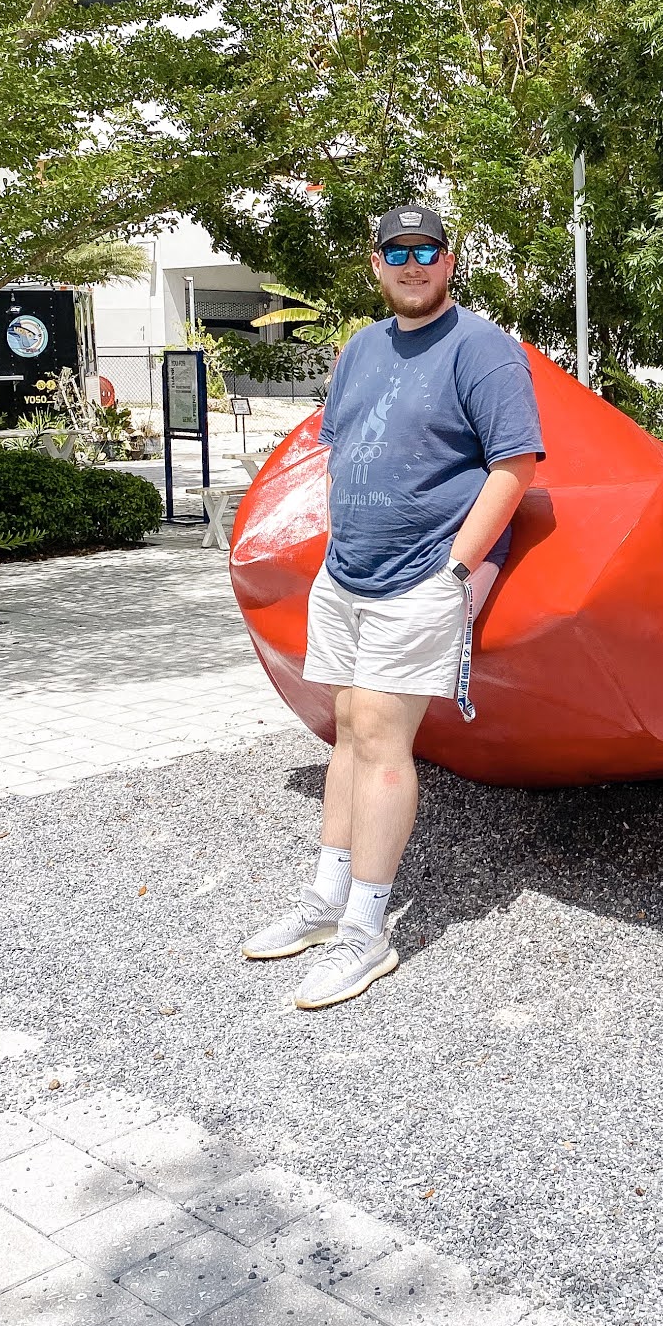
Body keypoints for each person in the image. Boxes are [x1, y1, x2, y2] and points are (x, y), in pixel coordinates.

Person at [240, 204, 542, 1009]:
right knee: (346, 727)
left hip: (422, 576)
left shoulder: (482, 348)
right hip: (347, 573)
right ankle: (326, 901)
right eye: (397, 252)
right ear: (376, 264)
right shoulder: (362, 348)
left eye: (427, 250)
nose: (413, 265)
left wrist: (455, 569)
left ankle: (366, 931)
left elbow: (515, 467)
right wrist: (337, 543)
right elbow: (343, 449)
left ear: (449, 261)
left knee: (379, 737)